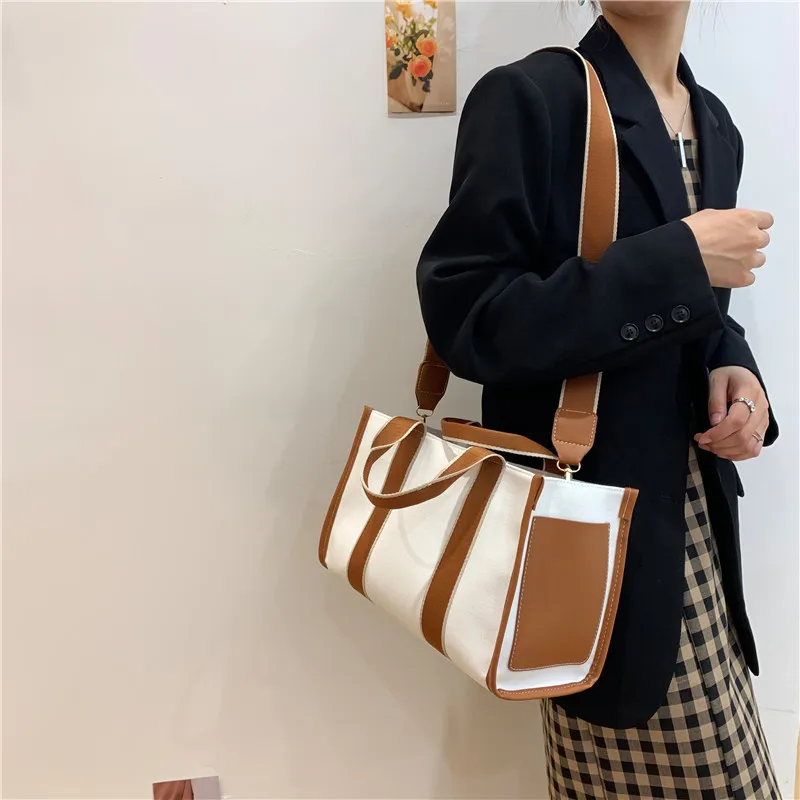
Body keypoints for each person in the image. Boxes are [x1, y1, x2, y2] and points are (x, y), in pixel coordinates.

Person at [416, 2, 781, 798]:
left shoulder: (714, 125)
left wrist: (738, 373)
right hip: (591, 547)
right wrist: (678, 258)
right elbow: (470, 317)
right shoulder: (533, 98)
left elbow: (703, 319)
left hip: (699, 538)